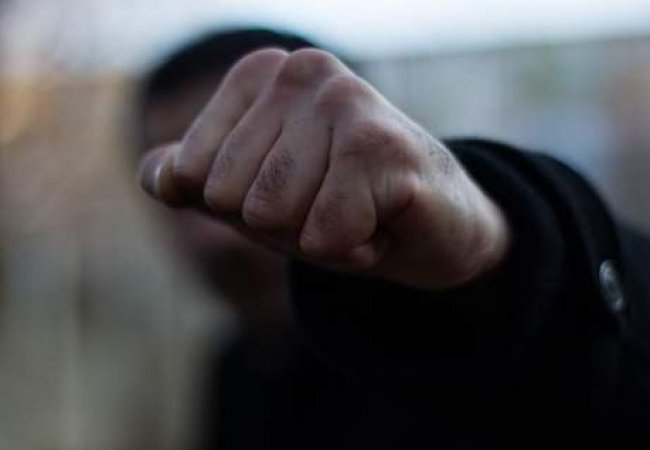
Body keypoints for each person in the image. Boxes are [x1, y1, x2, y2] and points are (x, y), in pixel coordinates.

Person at [134, 28, 650, 448]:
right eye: (185, 191)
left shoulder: (448, 353)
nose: (216, 238)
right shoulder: (235, 368)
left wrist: (495, 247)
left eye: (268, 165)